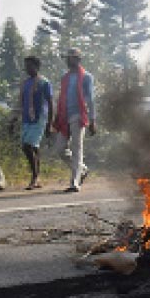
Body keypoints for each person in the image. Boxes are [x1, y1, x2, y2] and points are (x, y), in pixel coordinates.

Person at [51, 47, 97, 192]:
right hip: (64, 116)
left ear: (78, 59)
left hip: (78, 115)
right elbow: (61, 98)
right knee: (59, 148)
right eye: (67, 58)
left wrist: (92, 120)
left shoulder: (86, 77)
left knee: (77, 149)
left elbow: (90, 99)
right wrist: (56, 117)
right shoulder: (65, 77)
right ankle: (82, 169)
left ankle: (74, 182)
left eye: (71, 57)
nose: (68, 60)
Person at [19, 55, 53, 190]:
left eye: (30, 65)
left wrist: (50, 123)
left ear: (36, 66)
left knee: (28, 146)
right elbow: (21, 102)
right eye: (26, 65)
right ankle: (37, 176)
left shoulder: (44, 82)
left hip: (39, 118)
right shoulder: (25, 83)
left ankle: (34, 177)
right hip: (27, 119)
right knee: (31, 147)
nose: (27, 68)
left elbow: (50, 103)